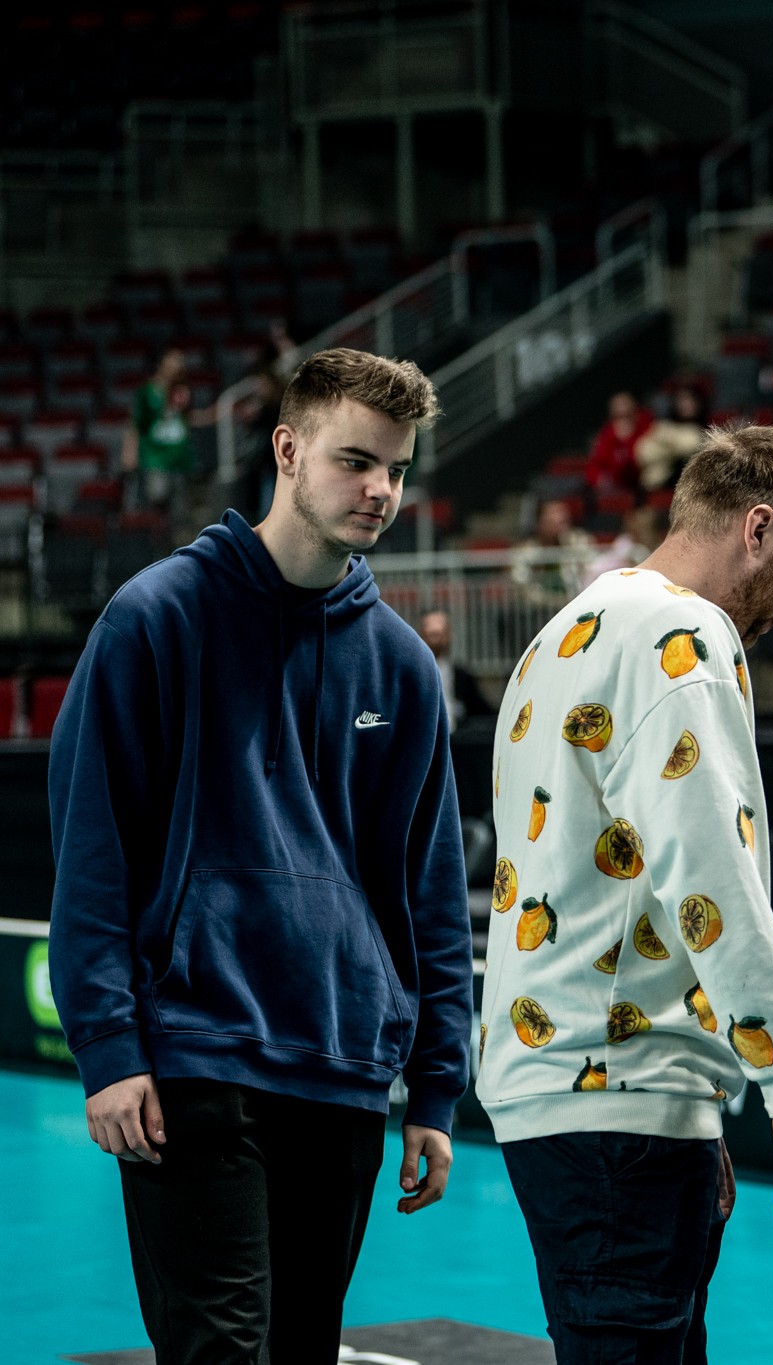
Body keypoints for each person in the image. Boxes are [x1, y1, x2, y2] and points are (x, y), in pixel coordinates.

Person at [47, 348, 470, 1362]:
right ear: (286, 450)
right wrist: (108, 1048)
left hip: (341, 1066)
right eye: (354, 461)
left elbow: (430, 888)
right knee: (221, 1350)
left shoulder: (403, 667)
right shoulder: (154, 618)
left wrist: (436, 1086)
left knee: (300, 1351)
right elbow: (94, 850)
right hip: (193, 1053)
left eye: (396, 469)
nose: (379, 491)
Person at [482, 423, 773, 1364]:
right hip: (616, 1100)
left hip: (582, 1083)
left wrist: (695, 1085)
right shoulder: (681, 633)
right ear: (757, 528)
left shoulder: (570, 629)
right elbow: (709, 877)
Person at [123, 346, 215, 518]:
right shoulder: (147, 392)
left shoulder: (182, 391)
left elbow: (187, 418)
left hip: (181, 457)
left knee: (181, 508)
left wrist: (213, 415)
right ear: (162, 364)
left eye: (181, 362)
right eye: (175, 361)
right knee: (158, 499)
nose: (179, 365)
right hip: (156, 457)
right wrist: (129, 452)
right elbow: (135, 425)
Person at [511, 498, 596, 600]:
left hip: (575, 601)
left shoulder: (579, 541)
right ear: (539, 522)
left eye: (562, 522)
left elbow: (594, 568)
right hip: (537, 606)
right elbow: (519, 582)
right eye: (551, 521)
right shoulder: (526, 550)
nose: (558, 526)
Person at [419, 607, 490, 726]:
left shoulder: (462, 677)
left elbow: (483, 712)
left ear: (448, 635)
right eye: (432, 634)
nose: (436, 639)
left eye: (440, 633)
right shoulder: (410, 675)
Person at [587, 391, 654, 496]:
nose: (623, 421)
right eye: (619, 416)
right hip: (615, 491)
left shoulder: (646, 429)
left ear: (635, 412)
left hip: (644, 488)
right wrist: (601, 480)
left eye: (627, 415)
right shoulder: (607, 435)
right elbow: (593, 468)